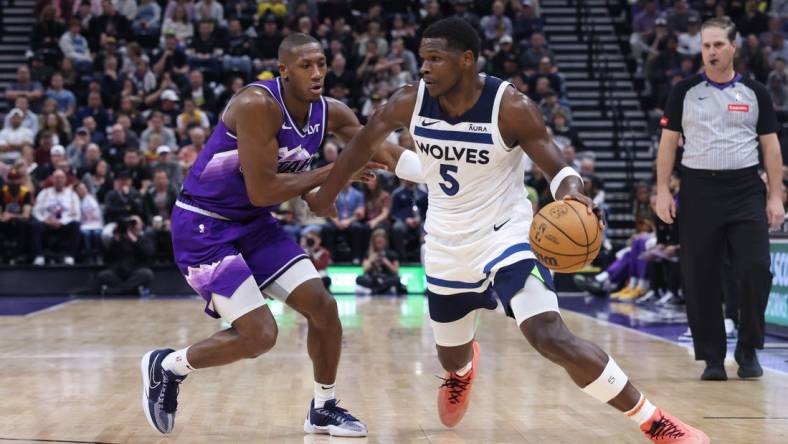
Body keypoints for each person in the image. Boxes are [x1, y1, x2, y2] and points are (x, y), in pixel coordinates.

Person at [312, 17, 708, 443]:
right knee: (450, 355)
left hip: (507, 235)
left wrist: (573, 193)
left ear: (466, 61)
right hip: (446, 244)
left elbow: (559, 168)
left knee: (548, 334)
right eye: (422, 58)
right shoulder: (408, 101)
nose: (423, 68)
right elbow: (361, 146)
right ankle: (462, 372)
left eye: (435, 59)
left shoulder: (510, 106)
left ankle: (653, 421)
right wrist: (326, 194)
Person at [140, 33, 410, 437]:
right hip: (204, 226)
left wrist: (434, 175)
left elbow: (375, 144)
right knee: (260, 335)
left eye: (321, 63)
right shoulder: (256, 105)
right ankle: (168, 366)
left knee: (323, 307)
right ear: (284, 70)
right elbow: (263, 189)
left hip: (254, 224)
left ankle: (323, 407)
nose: (317, 73)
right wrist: (333, 175)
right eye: (306, 66)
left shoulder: (330, 112)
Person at [655, 16, 784, 382]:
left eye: (718, 45)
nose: (711, 52)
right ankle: (713, 356)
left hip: (745, 189)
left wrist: (775, 196)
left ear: (733, 48)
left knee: (755, 268)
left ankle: (748, 347)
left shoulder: (756, 92)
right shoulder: (683, 90)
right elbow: (667, 144)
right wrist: (664, 190)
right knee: (700, 275)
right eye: (706, 45)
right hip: (698, 189)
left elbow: (771, 147)